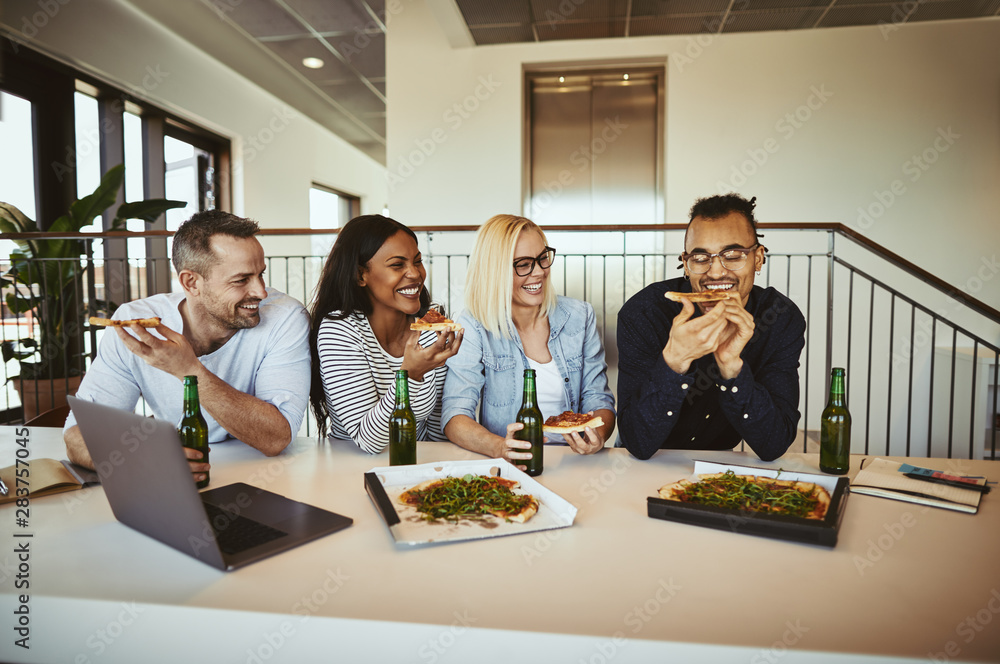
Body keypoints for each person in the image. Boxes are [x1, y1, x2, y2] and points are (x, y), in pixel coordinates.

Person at [64, 210, 312, 481]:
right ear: (191, 282)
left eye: (261, 274)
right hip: (179, 482)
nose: (261, 292)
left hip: (265, 477)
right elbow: (78, 436)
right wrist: (146, 461)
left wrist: (188, 370)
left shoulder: (285, 318)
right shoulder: (133, 326)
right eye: (242, 280)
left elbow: (276, 438)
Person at [616, 194, 805, 462]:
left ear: (759, 258)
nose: (715, 272)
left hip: (719, 463)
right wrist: (674, 361)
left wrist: (732, 367)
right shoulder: (645, 313)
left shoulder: (780, 319)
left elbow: (773, 444)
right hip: (642, 461)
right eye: (701, 257)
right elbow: (637, 441)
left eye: (733, 255)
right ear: (686, 263)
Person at [442, 214, 616, 469]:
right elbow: (455, 415)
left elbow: (599, 400)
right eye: (523, 264)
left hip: (575, 462)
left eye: (543, 258)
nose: (540, 272)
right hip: (508, 465)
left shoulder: (580, 316)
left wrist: (598, 436)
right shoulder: (474, 324)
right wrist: (498, 447)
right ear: (495, 271)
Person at [309, 215, 462, 454]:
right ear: (361, 275)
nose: (415, 273)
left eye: (417, 261)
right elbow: (369, 441)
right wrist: (410, 375)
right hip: (350, 465)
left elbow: (437, 429)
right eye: (397, 265)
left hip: (415, 458)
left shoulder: (433, 323)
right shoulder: (339, 329)